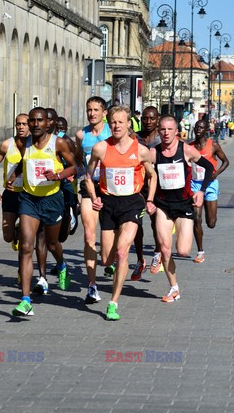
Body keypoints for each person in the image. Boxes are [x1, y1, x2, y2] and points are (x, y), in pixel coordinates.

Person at [85, 106, 157, 320]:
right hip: (108, 204)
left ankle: (113, 303)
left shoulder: (140, 150)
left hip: (132, 203)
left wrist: (150, 199)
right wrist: (94, 195)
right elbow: (88, 175)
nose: (116, 126)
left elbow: (152, 176)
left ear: (128, 125)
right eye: (113, 122)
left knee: (123, 252)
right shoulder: (100, 148)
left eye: (120, 122)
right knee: (107, 259)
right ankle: (116, 265)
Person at [10, 107, 76, 317]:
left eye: (39, 120)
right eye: (32, 121)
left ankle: (62, 264)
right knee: (26, 246)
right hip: (29, 199)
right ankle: (26, 300)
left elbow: (75, 167)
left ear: (47, 123)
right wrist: (15, 175)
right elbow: (23, 162)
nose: (35, 124)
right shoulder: (24, 143)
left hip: (52, 199)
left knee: (52, 243)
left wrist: (58, 175)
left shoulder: (58, 143)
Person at [150, 115, 214, 302]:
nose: (166, 133)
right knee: (165, 248)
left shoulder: (185, 149)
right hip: (163, 205)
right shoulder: (153, 153)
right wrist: (149, 199)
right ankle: (173, 288)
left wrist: (201, 191)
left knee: (184, 251)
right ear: (159, 131)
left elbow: (208, 167)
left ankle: (176, 228)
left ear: (176, 131)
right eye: (163, 129)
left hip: (184, 204)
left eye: (170, 129)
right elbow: (143, 173)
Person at [75, 96, 110, 304]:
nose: (92, 113)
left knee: (108, 252)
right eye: (89, 110)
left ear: (104, 112)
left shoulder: (112, 131)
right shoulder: (81, 134)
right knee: (89, 233)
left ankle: (109, 261)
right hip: (89, 186)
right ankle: (91, 285)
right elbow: (79, 157)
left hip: (111, 188)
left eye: (96, 110)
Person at [190, 120, 229, 263]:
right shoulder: (190, 146)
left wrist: (216, 173)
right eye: (197, 127)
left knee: (211, 223)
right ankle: (200, 252)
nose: (198, 130)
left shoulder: (213, 145)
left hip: (211, 184)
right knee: (196, 218)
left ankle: (209, 214)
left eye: (201, 127)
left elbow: (226, 161)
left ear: (206, 129)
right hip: (195, 184)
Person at [132, 106, 162, 280]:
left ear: (157, 119)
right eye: (145, 118)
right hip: (139, 186)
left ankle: (157, 253)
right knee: (136, 224)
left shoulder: (162, 138)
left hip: (159, 187)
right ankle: (139, 259)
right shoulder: (135, 138)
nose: (148, 122)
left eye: (152, 118)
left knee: (155, 222)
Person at [0, 113, 29, 248]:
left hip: (27, 195)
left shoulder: (34, 146)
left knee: (26, 237)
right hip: (10, 194)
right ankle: (16, 231)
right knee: (7, 237)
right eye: (18, 124)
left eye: (24, 124)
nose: (21, 127)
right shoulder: (7, 145)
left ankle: (22, 267)